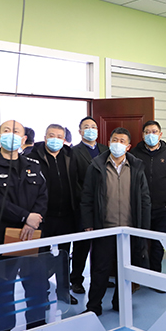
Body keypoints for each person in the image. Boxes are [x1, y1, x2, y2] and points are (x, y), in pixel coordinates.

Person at [0, 120, 48, 331]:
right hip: (2, 236)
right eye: (6, 131)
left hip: (31, 235)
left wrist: (33, 220)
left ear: (24, 138)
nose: (11, 135)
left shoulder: (33, 165)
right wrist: (25, 217)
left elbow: (43, 195)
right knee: (2, 289)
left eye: (16, 132)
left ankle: (37, 329)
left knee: (36, 285)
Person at [80, 127, 151, 316]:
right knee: (100, 269)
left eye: (122, 141)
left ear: (128, 147)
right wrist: (88, 223)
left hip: (129, 230)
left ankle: (120, 302)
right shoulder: (96, 166)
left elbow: (145, 200)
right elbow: (87, 197)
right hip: (104, 228)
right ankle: (94, 306)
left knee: (125, 269)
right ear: (109, 142)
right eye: (115, 140)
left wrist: (144, 228)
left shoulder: (136, 167)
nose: (117, 144)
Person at [30, 124, 80, 305]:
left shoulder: (70, 155)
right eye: (52, 135)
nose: (55, 139)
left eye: (59, 136)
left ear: (64, 139)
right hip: (43, 217)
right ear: (45, 137)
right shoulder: (33, 156)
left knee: (64, 256)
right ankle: (41, 292)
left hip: (66, 215)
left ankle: (63, 291)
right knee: (40, 257)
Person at [130, 120, 166, 278]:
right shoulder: (134, 154)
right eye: (147, 132)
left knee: (158, 243)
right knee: (139, 243)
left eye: (154, 132)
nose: (150, 135)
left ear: (160, 134)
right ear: (142, 135)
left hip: (162, 208)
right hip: (140, 208)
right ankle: (140, 276)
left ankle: (156, 275)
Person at [70, 116, 108, 294]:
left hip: (104, 205)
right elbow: (73, 181)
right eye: (86, 127)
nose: (90, 130)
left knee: (101, 246)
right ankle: (76, 280)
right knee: (82, 246)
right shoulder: (74, 152)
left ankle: (100, 279)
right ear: (80, 131)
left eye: (93, 127)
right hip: (83, 205)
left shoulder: (105, 150)